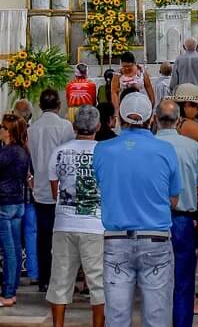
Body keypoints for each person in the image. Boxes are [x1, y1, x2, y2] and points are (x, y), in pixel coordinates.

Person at [94, 92, 182, 327]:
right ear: (151, 118)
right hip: (156, 238)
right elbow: (174, 199)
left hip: (116, 240)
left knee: (117, 316)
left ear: (120, 119)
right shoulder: (166, 150)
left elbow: (103, 187)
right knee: (157, 315)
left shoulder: (102, 150)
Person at [155, 98, 198, 327]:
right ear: (178, 120)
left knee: (154, 282)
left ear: (156, 120)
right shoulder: (191, 146)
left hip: (153, 220)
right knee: (183, 282)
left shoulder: (149, 145)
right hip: (182, 219)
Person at [48, 105, 107, 327]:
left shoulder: (60, 152)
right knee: (98, 283)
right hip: (96, 224)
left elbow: (55, 192)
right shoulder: (104, 153)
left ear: (74, 127)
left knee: (60, 280)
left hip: (64, 222)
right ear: (98, 127)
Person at [30, 88, 76, 294]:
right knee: (63, 238)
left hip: (40, 188)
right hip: (61, 190)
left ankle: (44, 278)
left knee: (43, 236)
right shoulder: (65, 126)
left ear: (40, 106)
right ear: (59, 105)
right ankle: (61, 278)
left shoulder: (33, 128)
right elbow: (68, 157)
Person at [0, 111, 32, 307]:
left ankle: (7, 293)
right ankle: (11, 291)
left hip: (4, 203)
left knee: (8, 251)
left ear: (9, 131)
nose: (0, 131)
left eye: (2, 128)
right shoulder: (23, 151)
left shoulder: (5, 152)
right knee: (14, 248)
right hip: (18, 203)